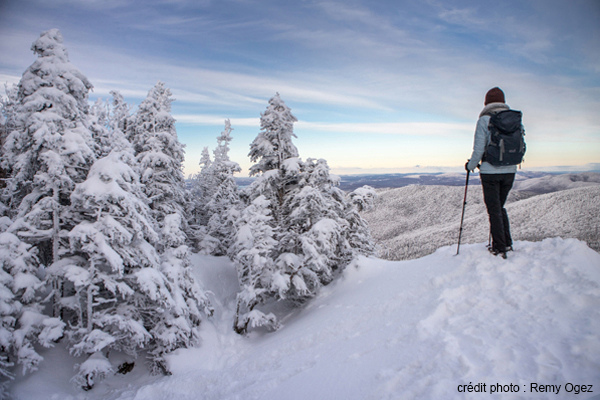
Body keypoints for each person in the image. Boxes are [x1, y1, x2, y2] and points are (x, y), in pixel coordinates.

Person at [466, 87, 517, 259]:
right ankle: (507, 242)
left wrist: (470, 165)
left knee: (494, 210)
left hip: (490, 173)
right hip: (510, 170)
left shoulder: (484, 120)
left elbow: (479, 148)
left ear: (486, 102)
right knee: (500, 207)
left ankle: (499, 247)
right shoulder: (514, 120)